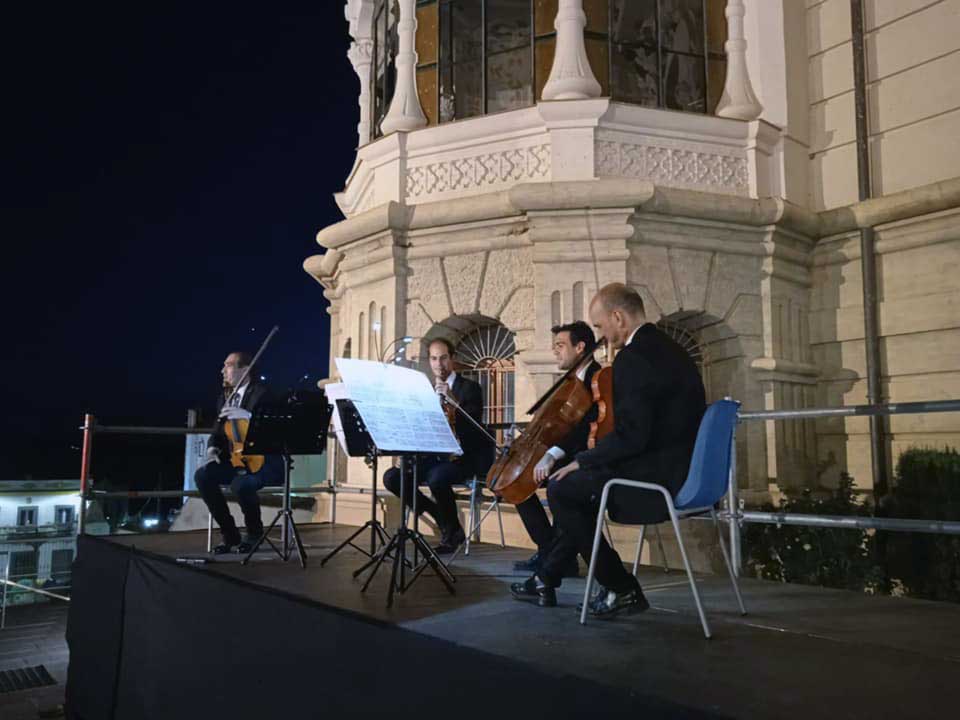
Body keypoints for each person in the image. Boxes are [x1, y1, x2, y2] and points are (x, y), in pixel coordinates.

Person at [511, 284, 706, 617]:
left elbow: (632, 437)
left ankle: (619, 588)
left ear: (618, 317)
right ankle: (554, 576)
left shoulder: (634, 358)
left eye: (600, 326)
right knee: (577, 486)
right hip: (683, 468)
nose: (601, 336)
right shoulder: (673, 349)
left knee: (563, 489)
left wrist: (582, 462)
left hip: (659, 477)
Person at [383, 338, 494, 554]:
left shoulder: (470, 388)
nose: (438, 364)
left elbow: (471, 426)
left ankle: (450, 532)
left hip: (463, 458)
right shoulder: (423, 390)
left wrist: (450, 399)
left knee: (437, 478)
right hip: (431, 458)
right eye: (434, 358)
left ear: (452, 359)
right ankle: (443, 519)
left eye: (443, 358)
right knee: (392, 477)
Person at [512, 321, 601, 578]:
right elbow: (560, 424)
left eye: (560, 346)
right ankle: (550, 551)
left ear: (580, 347)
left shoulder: (597, 379)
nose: (556, 352)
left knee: (555, 486)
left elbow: (583, 429)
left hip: (584, 457)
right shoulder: (569, 382)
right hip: (565, 452)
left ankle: (555, 558)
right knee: (517, 485)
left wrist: (551, 455)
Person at [194, 351, 283, 554]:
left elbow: (274, 427)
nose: (223, 370)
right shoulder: (224, 398)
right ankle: (230, 534)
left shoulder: (263, 394)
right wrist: (212, 448)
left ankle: (254, 534)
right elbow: (217, 432)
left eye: (229, 365)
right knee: (202, 476)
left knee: (241, 484)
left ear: (245, 370)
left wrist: (248, 416)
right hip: (237, 460)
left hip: (264, 462)